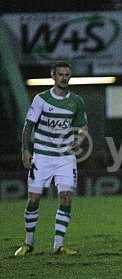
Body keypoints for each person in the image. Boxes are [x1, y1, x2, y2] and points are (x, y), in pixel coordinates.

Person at [15, 61, 88, 256]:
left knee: (65, 198)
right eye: (61, 74)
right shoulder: (41, 99)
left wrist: (79, 140)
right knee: (34, 198)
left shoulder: (76, 102)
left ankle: (58, 245)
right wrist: (25, 151)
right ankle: (28, 243)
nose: (65, 77)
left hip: (65, 158)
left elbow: (82, 128)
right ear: (53, 76)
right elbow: (28, 126)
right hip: (42, 157)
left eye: (67, 74)